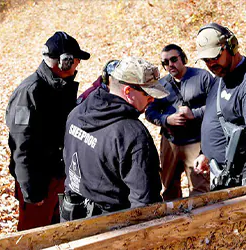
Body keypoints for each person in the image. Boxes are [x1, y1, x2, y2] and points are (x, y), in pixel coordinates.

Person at [60, 56, 169, 221]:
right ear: (127, 91)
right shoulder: (133, 134)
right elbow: (145, 203)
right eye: (148, 93)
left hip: (70, 215)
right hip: (110, 227)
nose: (152, 99)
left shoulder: (77, 112)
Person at [5, 31, 90, 230]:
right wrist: (31, 192)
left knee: (55, 232)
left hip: (56, 176)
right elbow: (20, 145)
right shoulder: (30, 93)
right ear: (64, 62)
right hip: (38, 182)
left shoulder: (58, 87)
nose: (78, 64)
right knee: (33, 236)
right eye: (76, 60)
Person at [194, 23, 246, 188]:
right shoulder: (220, 77)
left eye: (215, 57)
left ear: (231, 46)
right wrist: (205, 154)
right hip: (220, 174)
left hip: (240, 175)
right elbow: (214, 117)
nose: (210, 64)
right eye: (206, 60)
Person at [145, 44, 214, 201]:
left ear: (183, 58)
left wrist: (194, 114)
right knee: (169, 188)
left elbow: (217, 107)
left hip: (196, 142)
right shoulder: (161, 85)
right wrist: (166, 119)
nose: (170, 65)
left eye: (174, 59)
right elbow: (149, 111)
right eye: (165, 62)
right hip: (170, 142)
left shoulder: (202, 77)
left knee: (200, 189)